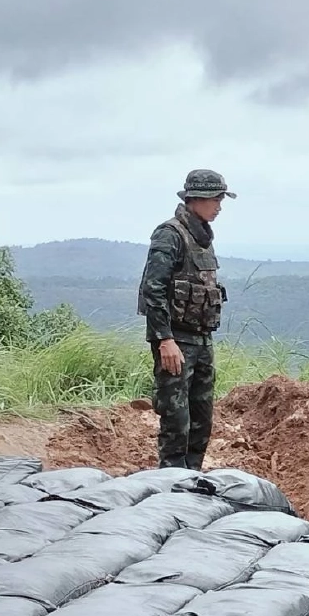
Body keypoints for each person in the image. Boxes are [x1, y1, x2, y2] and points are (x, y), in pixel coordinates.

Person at [137, 169, 233, 470]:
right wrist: (165, 340)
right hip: (176, 341)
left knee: (201, 419)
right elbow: (153, 289)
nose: (219, 206)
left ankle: (191, 481)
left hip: (202, 339)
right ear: (198, 199)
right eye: (216, 199)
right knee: (176, 420)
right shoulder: (171, 234)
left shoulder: (202, 236)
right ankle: (171, 484)